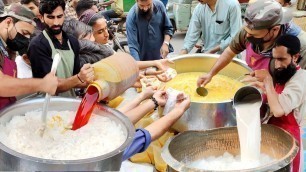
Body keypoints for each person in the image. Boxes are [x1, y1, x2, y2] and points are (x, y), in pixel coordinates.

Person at [197, 0, 306, 88]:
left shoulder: (300, 46)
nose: (248, 37)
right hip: (259, 86)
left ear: (274, 29)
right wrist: (211, 74)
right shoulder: (248, 30)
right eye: (247, 32)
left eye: (254, 34)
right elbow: (230, 52)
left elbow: (298, 84)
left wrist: (269, 80)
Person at [245, 35, 305, 172]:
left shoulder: (300, 80)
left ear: (295, 57)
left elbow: (278, 110)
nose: (277, 65)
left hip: (291, 139)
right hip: (275, 135)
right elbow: (277, 97)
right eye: (274, 58)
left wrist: (267, 80)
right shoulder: (285, 74)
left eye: (282, 59)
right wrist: (264, 88)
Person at [28, 0, 94, 98]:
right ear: (41, 18)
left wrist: (92, 81)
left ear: (64, 15)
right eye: (50, 17)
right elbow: (50, 85)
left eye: (59, 16)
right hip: (48, 106)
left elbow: (75, 77)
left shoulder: (72, 42)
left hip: (69, 103)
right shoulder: (37, 45)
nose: (56, 22)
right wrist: (79, 78)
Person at [0, 3, 58, 110]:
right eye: (24, 32)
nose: (25, 39)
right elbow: (1, 84)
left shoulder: (6, 49)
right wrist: (42, 84)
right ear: (8, 22)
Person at [118, 87, 190, 160]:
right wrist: (178, 110)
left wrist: (153, 101)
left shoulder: (109, 122)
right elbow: (144, 136)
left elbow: (117, 120)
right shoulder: (112, 150)